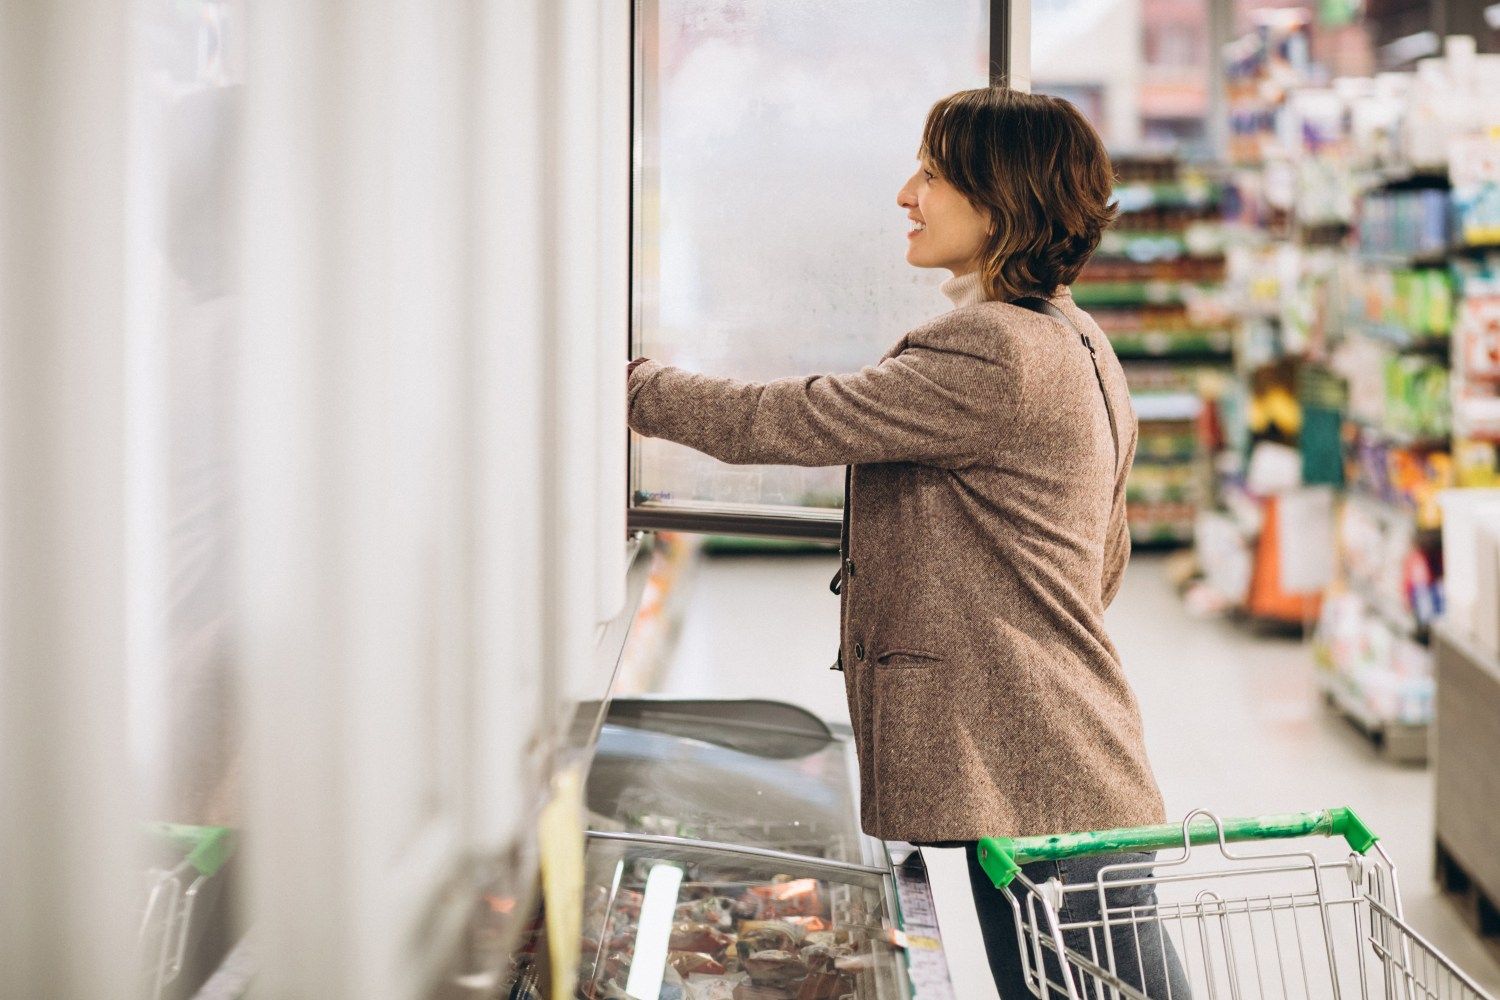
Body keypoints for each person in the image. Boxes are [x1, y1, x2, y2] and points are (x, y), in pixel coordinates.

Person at [626, 87, 1188, 999]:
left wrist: (631, 388)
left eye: (930, 172)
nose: (905, 194)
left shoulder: (995, 351)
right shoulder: (1078, 339)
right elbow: (1102, 562)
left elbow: (793, 420)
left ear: (999, 197)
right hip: (1062, 763)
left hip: (1035, 772)